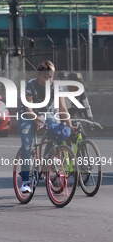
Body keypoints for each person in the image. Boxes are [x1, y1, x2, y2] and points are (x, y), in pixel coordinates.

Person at [19, 60, 76, 193]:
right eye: (45, 77)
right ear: (39, 76)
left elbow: (63, 108)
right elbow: (28, 106)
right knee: (27, 145)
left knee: (57, 130)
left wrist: (70, 125)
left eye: (50, 77)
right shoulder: (31, 84)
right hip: (28, 115)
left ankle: (48, 159)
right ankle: (26, 181)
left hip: (46, 114)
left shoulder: (56, 86)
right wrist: (35, 118)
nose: (48, 80)